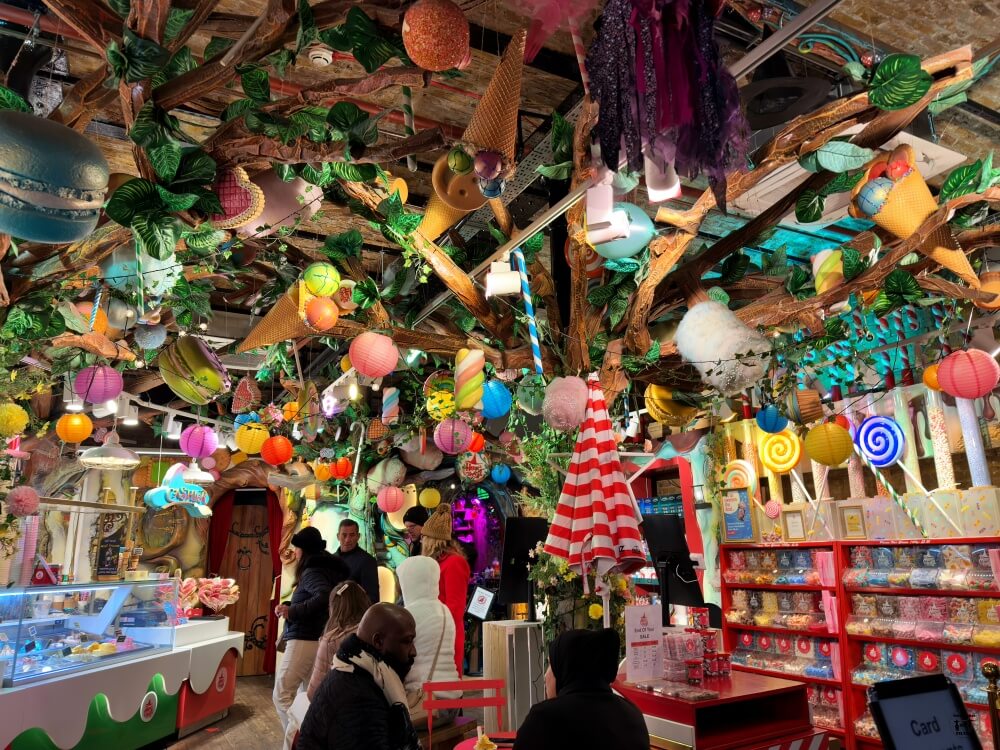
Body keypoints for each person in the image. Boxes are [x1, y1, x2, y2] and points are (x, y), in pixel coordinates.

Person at [298, 603, 420, 750]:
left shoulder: (353, 670)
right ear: (378, 641)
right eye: (407, 641)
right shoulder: (360, 696)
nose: (413, 652)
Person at [514, 629, 649, 750]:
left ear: (566, 667)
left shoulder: (544, 719)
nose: (545, 675)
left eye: (551, 663)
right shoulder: (632, 715)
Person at [273, 527, 350, 735]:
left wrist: (292, 611)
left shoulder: (311, 571)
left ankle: (299, 737)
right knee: (306, 694)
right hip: (315, 637)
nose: (295, 552)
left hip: (304, 638)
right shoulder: (325, 569)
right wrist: (290, 605)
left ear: (304, 550)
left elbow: (324, 595)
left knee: (281, 693)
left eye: (297, 548)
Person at [396, 556, 461, 721]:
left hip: (426, 704)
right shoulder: (444, 611)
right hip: (453, 701)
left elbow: (397, 660)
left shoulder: (408, 615)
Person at [420, 504, 471, 675]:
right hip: (433, 634)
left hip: (446, 636)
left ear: (432, 540)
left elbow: (455, 608)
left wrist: (432, 624)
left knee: (449, 689)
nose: (421, 542)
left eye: (423, 538)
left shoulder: (454, 563)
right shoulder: (433, 563)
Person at [306, 580, 371, 700]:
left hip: (342, 711)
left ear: (333, 607)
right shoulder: (379, 632)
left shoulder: (331, 640)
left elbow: (314, 693)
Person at [334, 518, 380, 604]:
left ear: (358, 536)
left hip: (354, 615)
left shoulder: (367, 561)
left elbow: (373, 598)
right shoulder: (330, 560)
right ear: (338, 536)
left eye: (352, 535)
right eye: (344, 535)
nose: (347, 540)